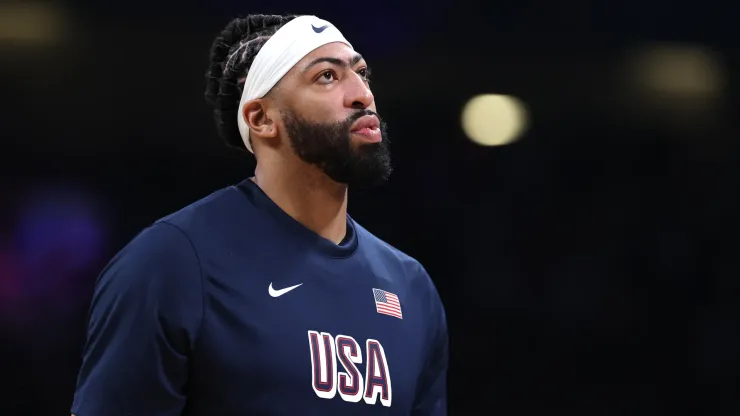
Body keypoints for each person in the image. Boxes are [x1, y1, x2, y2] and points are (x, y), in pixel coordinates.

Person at [70, 14, 448, 415]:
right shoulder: (172, 261)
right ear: (262, 119)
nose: (362, 95)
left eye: (361, 73)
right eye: (326, 77)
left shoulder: (411, 288)